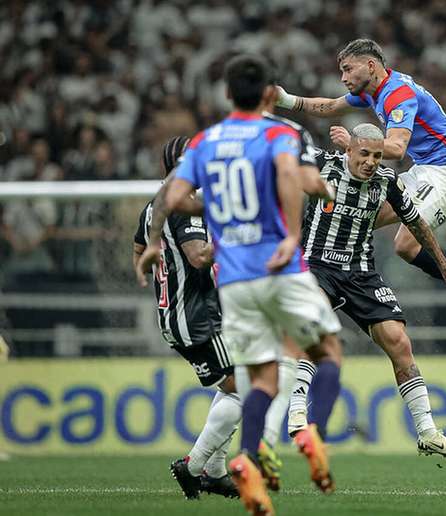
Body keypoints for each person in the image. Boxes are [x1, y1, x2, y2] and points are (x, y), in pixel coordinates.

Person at [135, 55, 342, 515]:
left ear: (226, 94)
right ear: (270, 94)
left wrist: (151, 244)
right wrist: (307, 211)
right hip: (275, 266)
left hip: (233, 285)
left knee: (256, 375)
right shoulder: (281, 134)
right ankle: (312, 432)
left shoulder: (208, 141)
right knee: (323, 350)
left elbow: (169, 196)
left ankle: (248, 455)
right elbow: (302, 180)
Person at [275, 38, 446, 326]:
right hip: (424, 169)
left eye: (348, 69)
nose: (343, 77)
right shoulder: (373, 90)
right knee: (358, 219)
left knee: (404, 245)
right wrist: (286, 100)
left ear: (371, 65)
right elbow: (331, 106)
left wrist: (354, 143)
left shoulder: (397, 94)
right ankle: (337, 283)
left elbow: (397, 149)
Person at [287, 123, 446, 457]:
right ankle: (297, 408)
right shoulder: (323, 164)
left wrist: (444, 266)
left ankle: (428, 432)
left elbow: (417, 224)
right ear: (350, 150)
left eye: (377, 155)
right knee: (314, 325)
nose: (370, 161)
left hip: (361, 272)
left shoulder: (386, 181)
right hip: (316, 265)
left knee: (399, 341)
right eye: (364, 154)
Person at [133, 136, 240, 501]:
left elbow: (139, 249)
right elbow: (198, 256)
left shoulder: (154, 205)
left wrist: (153, 272)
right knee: (249, 388)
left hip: (181, 313)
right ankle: (194, 467)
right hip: (195, 317)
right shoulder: (182, 205)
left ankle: (214, 470)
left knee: (236, 384)